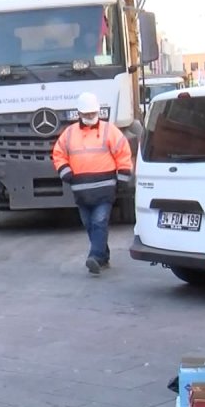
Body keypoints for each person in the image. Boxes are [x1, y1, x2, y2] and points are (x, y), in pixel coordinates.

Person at [52, 92, 134, 276]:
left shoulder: (108, 130)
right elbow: (58, 153)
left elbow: (123, 153)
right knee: (90, 224)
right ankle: (103, 256)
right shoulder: (70, 133)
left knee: (99, 222)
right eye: (87, 114)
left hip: (104, 190)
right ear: (79, 113)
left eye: (93, 113)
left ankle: (95, 257)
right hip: (81, 191)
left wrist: (122, 179)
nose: (90, 117)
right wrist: (66, 172)